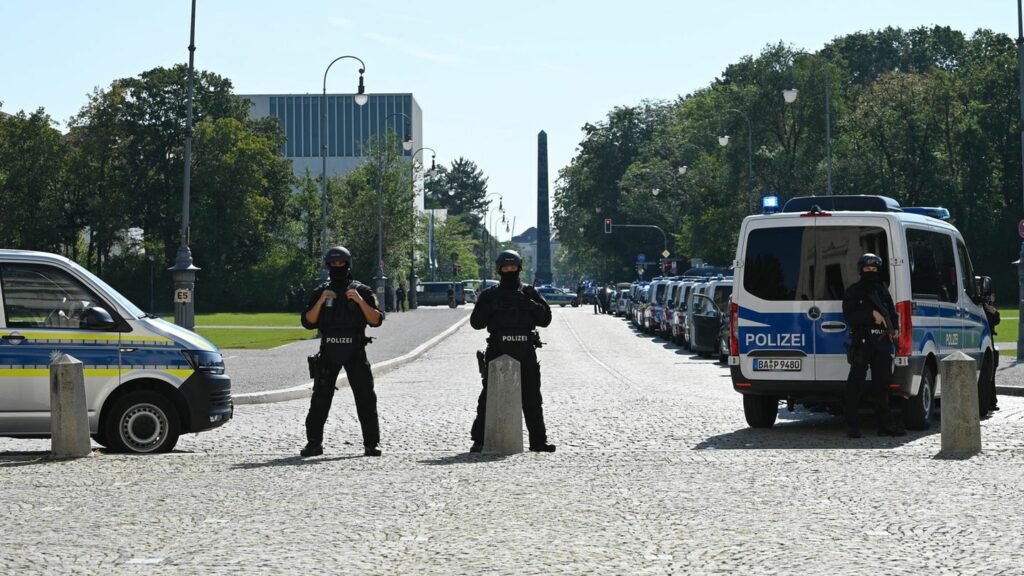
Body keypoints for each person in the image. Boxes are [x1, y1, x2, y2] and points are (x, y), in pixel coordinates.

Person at [300, 246, 384, 457]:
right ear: (328, 265)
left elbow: (376, 320)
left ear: (348, 264)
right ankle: (314, 442)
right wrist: (321, 300)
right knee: (320, 397)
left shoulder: (362, 290)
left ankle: (371, 443)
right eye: (333, 264)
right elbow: (308, 322)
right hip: (329, 349)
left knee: (365, 397)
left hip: (355, 349)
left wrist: (358, 300)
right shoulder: (321, 291)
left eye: (341, 263)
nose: (337, 267)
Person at [469, 250, 555, 453]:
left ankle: (538, 441)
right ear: (499, 270)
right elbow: (476, 323)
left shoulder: (529, 293)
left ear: (519, 268)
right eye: (506, 268)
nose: (509, 271)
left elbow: (546, 319)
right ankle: (479, 440)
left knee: (532, 397)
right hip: (499, 348)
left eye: (513, 267)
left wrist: (530, 305)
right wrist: (492, 307)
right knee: (488, 397)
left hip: (525, 348)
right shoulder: (490, 294)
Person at [842, 253, 906, 439]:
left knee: (882, 386)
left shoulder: (882, 290)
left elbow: (891, 312)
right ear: (861, 270)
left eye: (874, 269)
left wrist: (894, 328)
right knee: (855, 385)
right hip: (862, 342)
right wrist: (871, 315)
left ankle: (885, 425)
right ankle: (853, 426)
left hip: (882, 342)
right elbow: (850, 315)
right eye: (867, 269)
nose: (871, 272)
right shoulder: (854, 291)